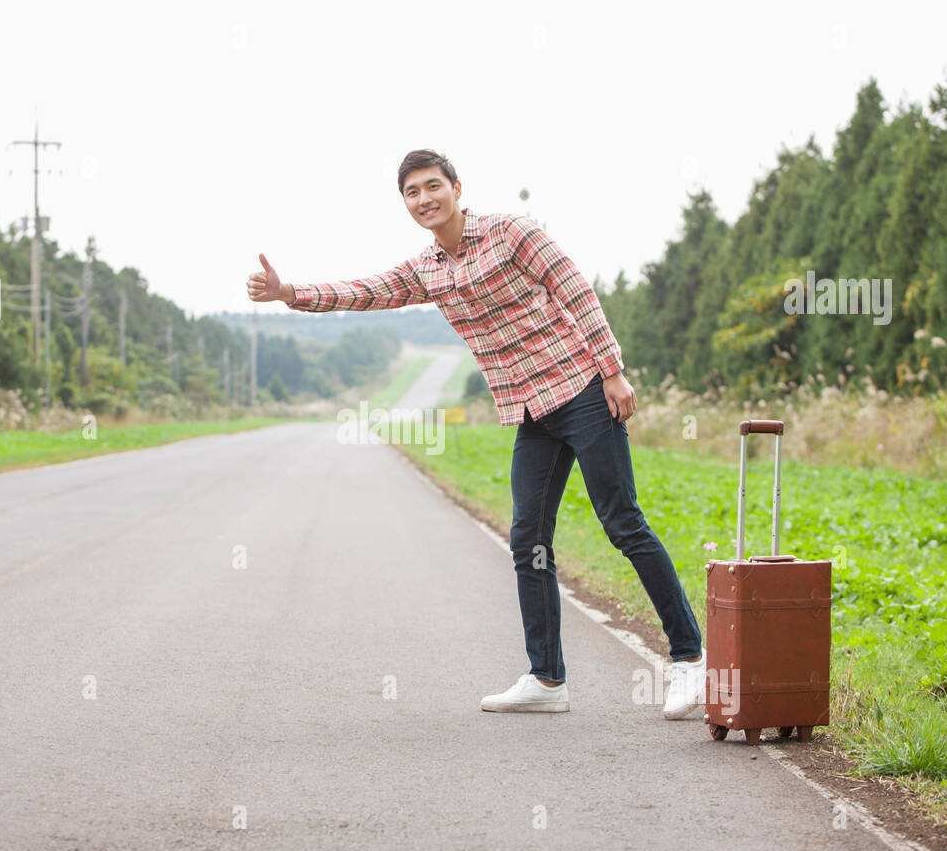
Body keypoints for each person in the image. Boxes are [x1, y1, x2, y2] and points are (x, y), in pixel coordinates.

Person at [246, 148, 707, 719]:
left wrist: (611, 370)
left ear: (457, 188)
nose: (424, 199)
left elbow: (575, 291)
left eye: (432, 186)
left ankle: (690, 660)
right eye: (412, 192)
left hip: (582, 388)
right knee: (527, 538)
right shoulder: (427, 270)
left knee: (621, 521)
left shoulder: (512, 232)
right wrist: (290, 293)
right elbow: (366, 291)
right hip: (530, 411)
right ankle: (547, 679)